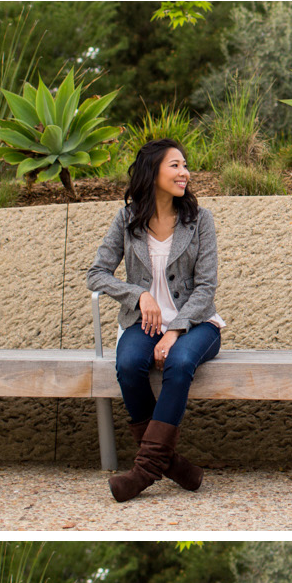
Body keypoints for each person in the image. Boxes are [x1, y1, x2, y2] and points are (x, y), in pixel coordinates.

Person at [88, 138, 223, 503]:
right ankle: (170, 463)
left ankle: (144, 470)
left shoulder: (200, 221)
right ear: (153, 171)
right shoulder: (127, 219)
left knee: (179, 363)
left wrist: (176, 328)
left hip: (197, 325)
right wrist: (138, 294)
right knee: (129, 363)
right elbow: (96, 274)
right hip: (143, 323)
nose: (185, 173)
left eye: (185, 165)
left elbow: (206, 288)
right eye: (175, 165)